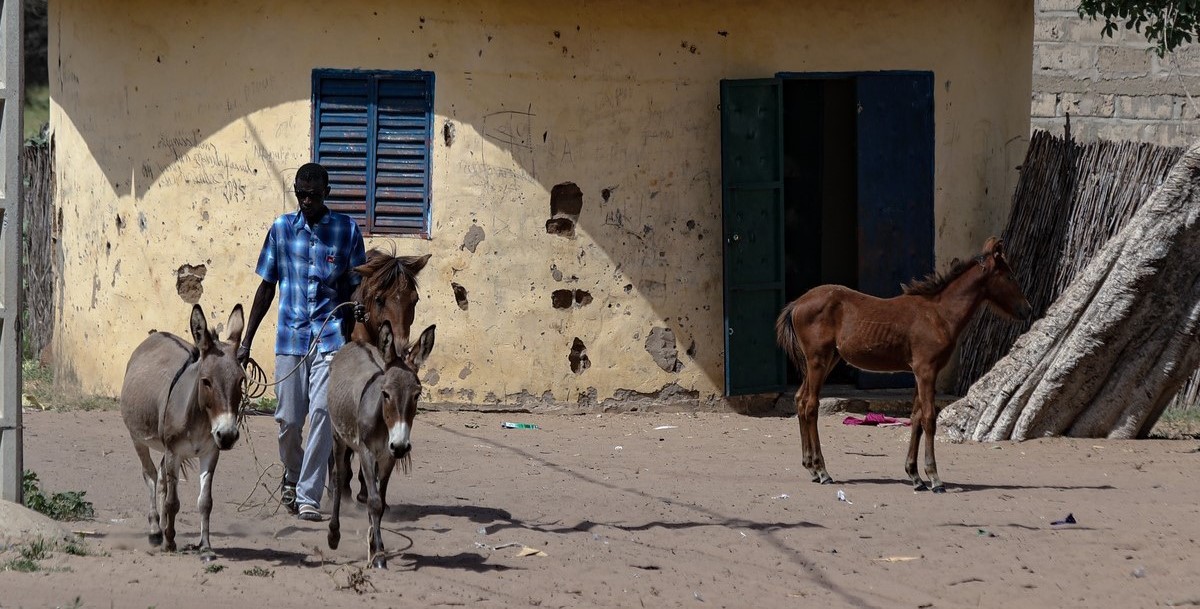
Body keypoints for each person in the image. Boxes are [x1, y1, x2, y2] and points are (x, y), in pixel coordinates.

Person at [238, 162, 366, 522]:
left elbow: (357, 280)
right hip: (290, 338)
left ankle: (309, 496)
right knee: (289, 421)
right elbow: (266, 287)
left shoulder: (347, 229)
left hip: (330, 338)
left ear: (327, 192)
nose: (306, 200)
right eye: (301, 193)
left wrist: (356, 302)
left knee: (324, 415)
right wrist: (247, 340)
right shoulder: (280, 229)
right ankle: (292, 476)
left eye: (313, 194)